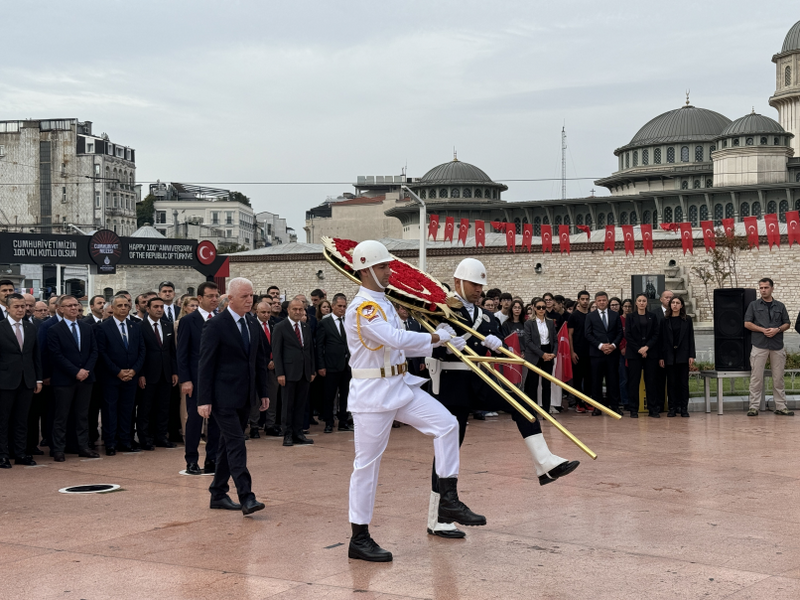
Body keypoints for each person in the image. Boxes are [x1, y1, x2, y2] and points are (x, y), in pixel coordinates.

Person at [345, 241, 484, 562]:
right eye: (382, 267)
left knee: (447, 425)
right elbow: (393, 339)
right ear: (365, 270)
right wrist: (436, 338)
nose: (389, 271)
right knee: (366, 467)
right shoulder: (363, 307)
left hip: (399, 385)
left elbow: (402, 347)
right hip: (372, 394)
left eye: (388, 266)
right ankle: (359, 536)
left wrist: (449, 340)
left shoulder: (385, 302)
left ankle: (448, 496)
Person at [197, 277, 269, 516]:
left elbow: (258, 361)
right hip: (222, 398)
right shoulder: (216, 325)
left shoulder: (252, 323)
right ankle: (246, 497)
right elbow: (205, 364)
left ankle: (218, 492)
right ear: (229, 299)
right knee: (237, 443)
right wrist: (203, 399)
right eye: (244, 297)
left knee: (229, 445)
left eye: (252, 296)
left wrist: (263, 392)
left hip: (245, 396)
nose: (250, 301)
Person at [46, 295, 99, 461]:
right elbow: (56, 355)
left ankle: (83, 446)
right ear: (60, 309)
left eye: (76, 305)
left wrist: (86, 370)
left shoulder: (86, 328)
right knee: (61, 416)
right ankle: (58, 449)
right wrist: (75, 371)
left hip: (86, 379)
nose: (74, 308)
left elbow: (94, 351)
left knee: (82, 415)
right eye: (69, 306)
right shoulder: (54, 330)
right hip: (64, 380)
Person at [177, 281, 221, 475]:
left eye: (216, 296)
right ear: (200, 298)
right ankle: (191, 460)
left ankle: (212, 458)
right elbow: (182, 353)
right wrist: (185, 380)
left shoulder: (221, 319)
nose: (214, 299)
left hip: (218, 379)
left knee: (216, 421)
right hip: (195, 380)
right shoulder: (189, 321)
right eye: (210, 296)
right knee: (195, 420)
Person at [95, 295, 146, 455]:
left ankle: (125, 441)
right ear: (113, 308)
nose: (123, 308)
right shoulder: (103, 327)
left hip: (131, 376)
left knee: (127, 410)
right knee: (110, 410)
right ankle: (110, 443)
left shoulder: (135, 326)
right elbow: (102, 353)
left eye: (126, 305)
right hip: (111, 377)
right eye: (120, 305)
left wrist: (134, 370)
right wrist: (117, 371)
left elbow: (142, 350)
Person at [0, 294, 42, 468]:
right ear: (8, 308)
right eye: (16, 306)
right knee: (3, 420)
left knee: (22, 419)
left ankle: (21, 453)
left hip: (27, 381)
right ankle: (2, 455)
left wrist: (38, 379)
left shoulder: (30, 327)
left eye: (23, 306)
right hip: (5, 381)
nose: (20, 310)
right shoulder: (1, 327)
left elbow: (35, 355)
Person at [743, 278, 793, 417]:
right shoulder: (753, 305)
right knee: (756, 377)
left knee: (778, 378)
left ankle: (781, 406)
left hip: (777, 345)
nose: (763, 290)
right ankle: (753, 407)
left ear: (772, 288)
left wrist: (777, 329)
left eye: (765, 287)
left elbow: (787, 323)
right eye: (761, 288)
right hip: (759, 344)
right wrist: (762, 330)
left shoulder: (780, 306)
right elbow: (747, 323)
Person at [272, 299, 316, 446]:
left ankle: (299, 433)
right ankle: (288, 434)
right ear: (289, 310)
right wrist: (280, 373)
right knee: (287, 405)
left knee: (300, 404)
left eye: (300, 309)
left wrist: (311, 370)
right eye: (295, 309)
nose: (298, 312)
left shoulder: (305, 327)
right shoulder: (280, 327)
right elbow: (277, 352)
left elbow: (310, 350)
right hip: (288, 372)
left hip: (304, 372)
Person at [137, 296, 179, 450]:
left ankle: (161, 436)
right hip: (148, 374)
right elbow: (139, 352)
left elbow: (172, 351)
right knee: (145, 407)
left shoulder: (168, 326)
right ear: (147, 309)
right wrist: (140, 374)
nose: (159, 309)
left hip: (166, 373)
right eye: (156, 307)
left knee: (163, 407)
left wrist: (174, 371)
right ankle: (145, 438)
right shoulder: (140, 327)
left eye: (161, 307)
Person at [315, 295, 353, 434]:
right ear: (333, 306)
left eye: (344, 306)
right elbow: (319, 346)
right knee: (329, 396)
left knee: (345, 395)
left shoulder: (349, 322)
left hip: (347, 365)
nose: (342, 309)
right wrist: (321, 365)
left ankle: (343, 421)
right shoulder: (325, 323)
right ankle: (329, 422)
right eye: (339, 306)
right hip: (330, 366)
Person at [584, 291, 623, 415]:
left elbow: (619, 333)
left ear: (607, 301)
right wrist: (600, 346)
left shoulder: (615, 315)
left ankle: (614, 406)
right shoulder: (590, 316)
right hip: (596, 353)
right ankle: (597, 407)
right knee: (596, 381)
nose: (601, 302)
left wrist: (613, 345)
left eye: (604, 300)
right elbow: (588, 334)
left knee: (613, 380)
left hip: (612, 353)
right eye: (599, 300)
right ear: (596, 302)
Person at [659, 296, 696, 418]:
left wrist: (691, 355)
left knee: (683, 383)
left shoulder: (687, 320)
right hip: (669, 355)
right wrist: (661, 357)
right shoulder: (665, 320)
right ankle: (672, 408)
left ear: (681, 306)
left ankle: (684, 408)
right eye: (673, 303)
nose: (675, 305)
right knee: (671, 383)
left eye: (677, 303)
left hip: (683, 355)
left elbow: (691, 338)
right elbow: (662, 340)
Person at [624, 294, 660, 418]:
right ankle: (634, 409)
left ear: (647, 303)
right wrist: (639, 349)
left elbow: (656, 334)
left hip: (650, 353)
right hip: (634, 353)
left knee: (651, 381)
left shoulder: (652, 317)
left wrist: (647, 347)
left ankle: (653, 409)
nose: (642, 303)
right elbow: (628, 335)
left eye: (644, 301)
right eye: (639, 301)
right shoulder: (630, 317)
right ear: (636, 303)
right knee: (634, 381)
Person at [249, 300, 279, 438]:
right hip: (257, 366)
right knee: (255, 397)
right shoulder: (251, 324)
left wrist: (274, 361)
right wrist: (265, 361)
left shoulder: (275, 324)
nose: (266, 315)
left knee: (272, 395)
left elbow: (278, 345)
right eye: (263, 312)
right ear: (256, 311)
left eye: (268, 312)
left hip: (273, 366)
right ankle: (254, 426)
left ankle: (270, 424)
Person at [523, 299, 557, 414]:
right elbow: (528, 341)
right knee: (533, 384)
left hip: (548, 353)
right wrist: (542, 354)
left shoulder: (551, 322)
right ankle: (533, 411)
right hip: (535, 354)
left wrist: (553, 353)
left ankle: (546, 411)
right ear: (534, 308)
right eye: (539, 307)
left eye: (543, 307)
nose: (541, 309)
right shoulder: (529, 323)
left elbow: (555, 340)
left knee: (547, 384)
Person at [568, 291, 592, 413]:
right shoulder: (574, 316)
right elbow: (570, 335)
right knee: (578, 379)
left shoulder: (592, 315)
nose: (585, 301)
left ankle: (587, 402)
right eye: (582, 299)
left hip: (591, 351)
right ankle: (578, 403)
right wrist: (572, 352)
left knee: (589, 378)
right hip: (578, 351)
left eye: (587, 299)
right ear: (578, 300)